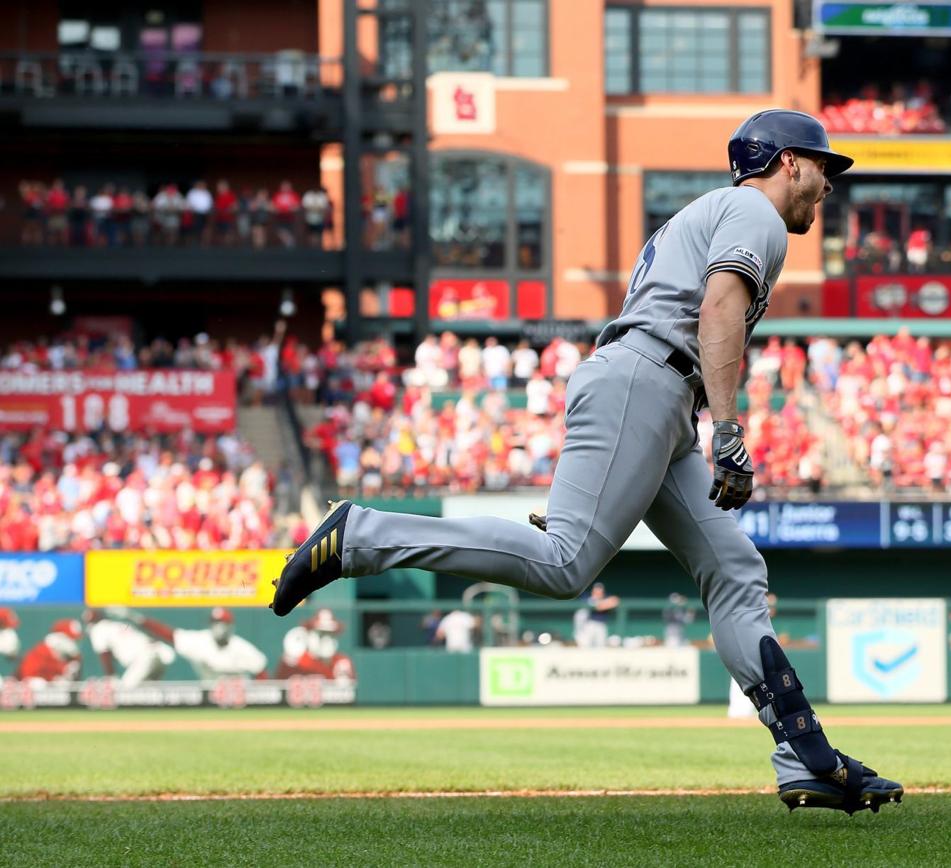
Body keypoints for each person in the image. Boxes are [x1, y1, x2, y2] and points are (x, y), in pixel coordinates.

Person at [271, 110, 902, 815]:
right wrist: (728, 429)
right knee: (564, 561)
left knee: (734, 568)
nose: (828, 185)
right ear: (788, 163)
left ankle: (804, 755)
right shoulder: (753, 212)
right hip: (648, 383)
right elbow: (719, 309)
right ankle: (360, 536)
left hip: (657, 396)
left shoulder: (720, 211)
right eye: (823, 168)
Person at [117, 607, 268, 681]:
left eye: (223, 623)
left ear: (231, 626)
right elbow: (169, 635)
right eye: (215, 623)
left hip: (240, 703)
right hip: (209, 700)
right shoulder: (200, 641)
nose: (219, 627)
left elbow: (262, 675)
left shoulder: (243, 648)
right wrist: (137, 618)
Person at [85, 608, 177, 687]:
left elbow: (104, 653)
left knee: (125, 694)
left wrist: (110, 676)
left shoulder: (98, 629)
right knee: (150, 692)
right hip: (157, 652)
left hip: (143, 658)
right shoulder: (116, 625)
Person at [574, 581, 620, 648]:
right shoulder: (587, 597)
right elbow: (598, 607)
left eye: (600, 590)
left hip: (602, 624)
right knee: (585, 645)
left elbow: (615, 600)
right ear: (593, 591)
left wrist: (603, 604)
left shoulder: (606, 596)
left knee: (600, 646)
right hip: (589, 624)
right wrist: (605, 604)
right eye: (596, 590)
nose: (598, 592)